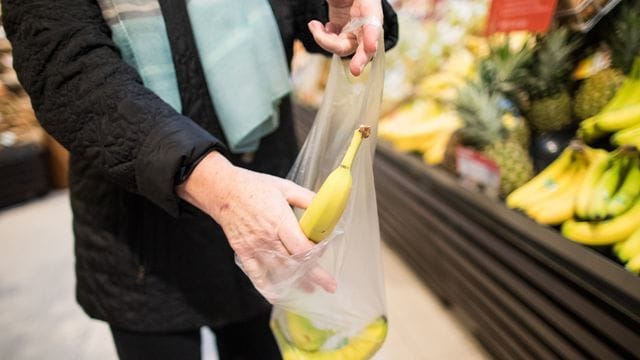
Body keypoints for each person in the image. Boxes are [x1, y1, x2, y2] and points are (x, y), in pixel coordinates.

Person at [2, 0, 398, 359]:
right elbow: (66, 67)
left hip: (266, 210)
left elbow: (303, 11)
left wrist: (344, 10)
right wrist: (221, 191)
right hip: (143, 238)